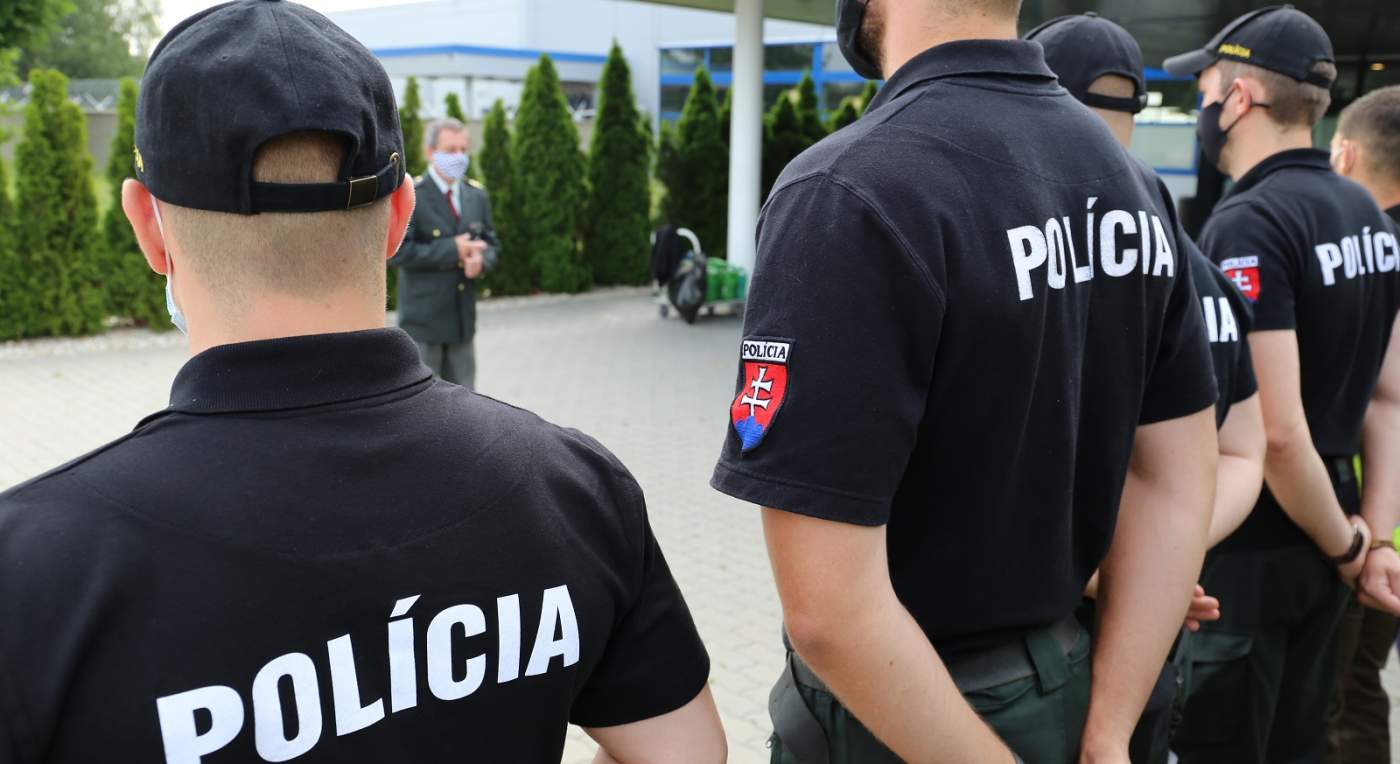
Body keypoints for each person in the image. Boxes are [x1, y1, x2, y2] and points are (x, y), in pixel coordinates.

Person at [0, 2, 725, 762]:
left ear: (147, 227)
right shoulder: (572, 488)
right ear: (400, 215)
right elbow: (688, 753)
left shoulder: (35, 575)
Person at [710, 0, 1220, 762]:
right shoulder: (1130, 182)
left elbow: (829, 610)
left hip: (908, 720)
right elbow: (1174, 484)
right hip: (1069, 692)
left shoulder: (849, 189)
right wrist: (1111, 734)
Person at [1028, 13, 1268, 764]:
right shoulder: (1200, 271)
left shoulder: (1020, 261)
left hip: (1022, 659)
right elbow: (1244, 452)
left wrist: (1132, 567)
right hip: (1145, 656)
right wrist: (1162, 559)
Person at [1163, 7, 1400, 762]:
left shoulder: (1249, 224)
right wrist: (1372, 537)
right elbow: (1389, 397)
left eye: (1207, 89)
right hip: (1332, 527)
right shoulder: (1367, 213)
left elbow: (1275, 430)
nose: (1204, 107)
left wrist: (1348, 546)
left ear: (1239, 99)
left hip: (1260, 552)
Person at [1326, 84, 1400, 764]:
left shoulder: (1371, 252)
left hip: (1374, 521)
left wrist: (1368, 535)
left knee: (1348, 694)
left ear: (1344, 155)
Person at [390, 117, 496, 388]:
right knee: (423, 402)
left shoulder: (476, 196)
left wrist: (481, 261)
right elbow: (398, 252)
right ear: (430, 152)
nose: (459, 157)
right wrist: (453, 249)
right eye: (450, 150)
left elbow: (491, 243)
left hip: (461, 321)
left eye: (463, 150)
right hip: (424, 324)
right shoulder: (412, 195)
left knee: (465, 400)